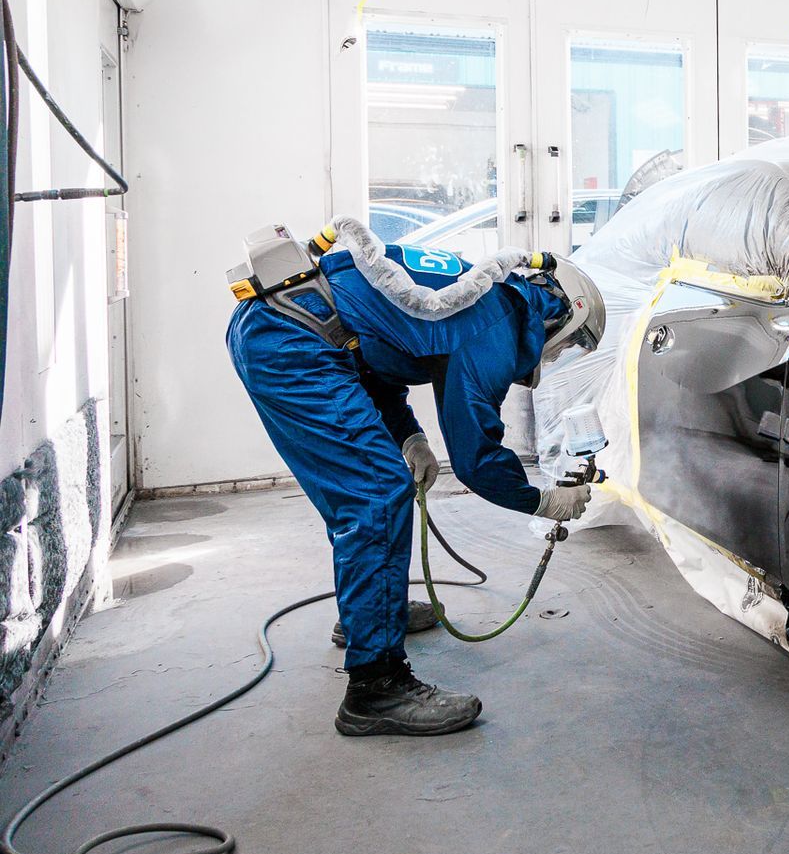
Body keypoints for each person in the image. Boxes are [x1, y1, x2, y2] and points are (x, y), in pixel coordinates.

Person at [225, 219, 604, 736]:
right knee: (376, 497)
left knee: (370, 491)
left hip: (287, 328)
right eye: (568, 344)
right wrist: (541, 501)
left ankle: (375, 613)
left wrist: (408, 437)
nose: (557, 354)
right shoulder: (497, 323)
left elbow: (372, 354)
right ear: (564, 309)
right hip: (292, 342)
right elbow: (475, 457)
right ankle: (375, 688)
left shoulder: (483, 296)